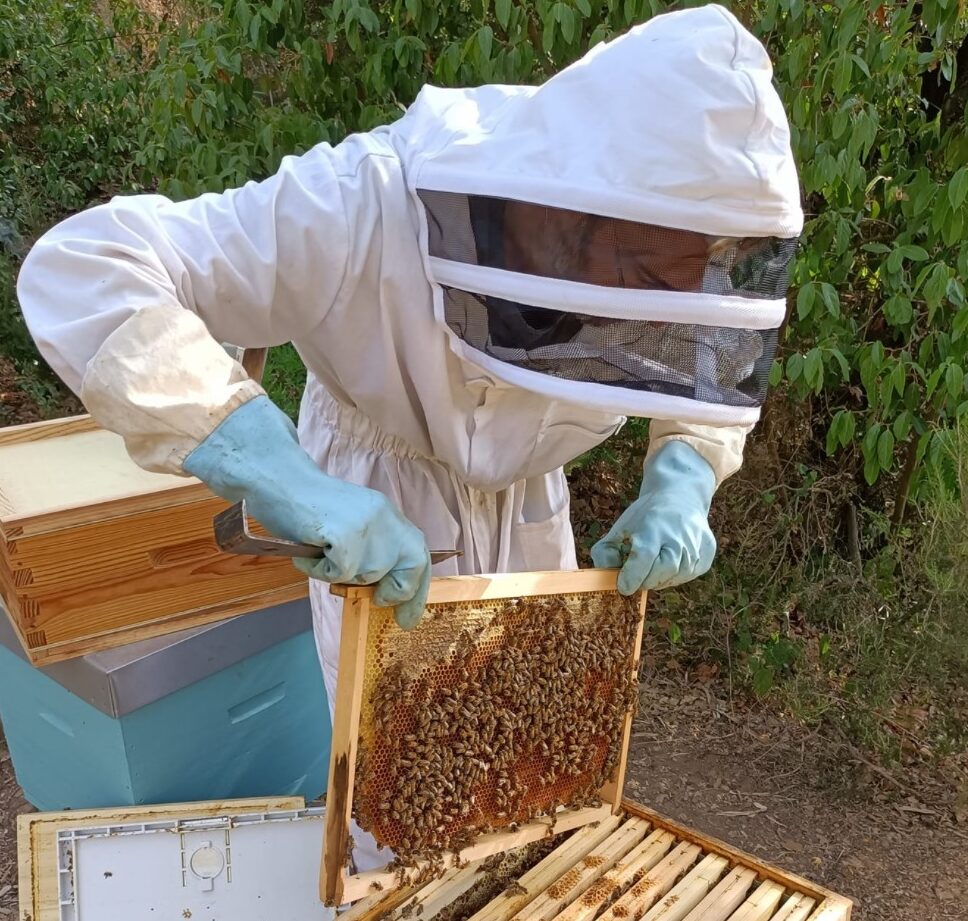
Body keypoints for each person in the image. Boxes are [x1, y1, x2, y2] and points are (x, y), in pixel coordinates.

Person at [16, 3, 801, 872]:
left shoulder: (666, 253)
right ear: (588, 213)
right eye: (651, 272)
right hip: (375, 496)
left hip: (531, 508)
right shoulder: (359, 202)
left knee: (537, 787)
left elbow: (700, 359)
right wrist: (274, 466)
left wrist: (683, 476)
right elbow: (84, 267)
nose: (659, 308)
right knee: (395, 806)